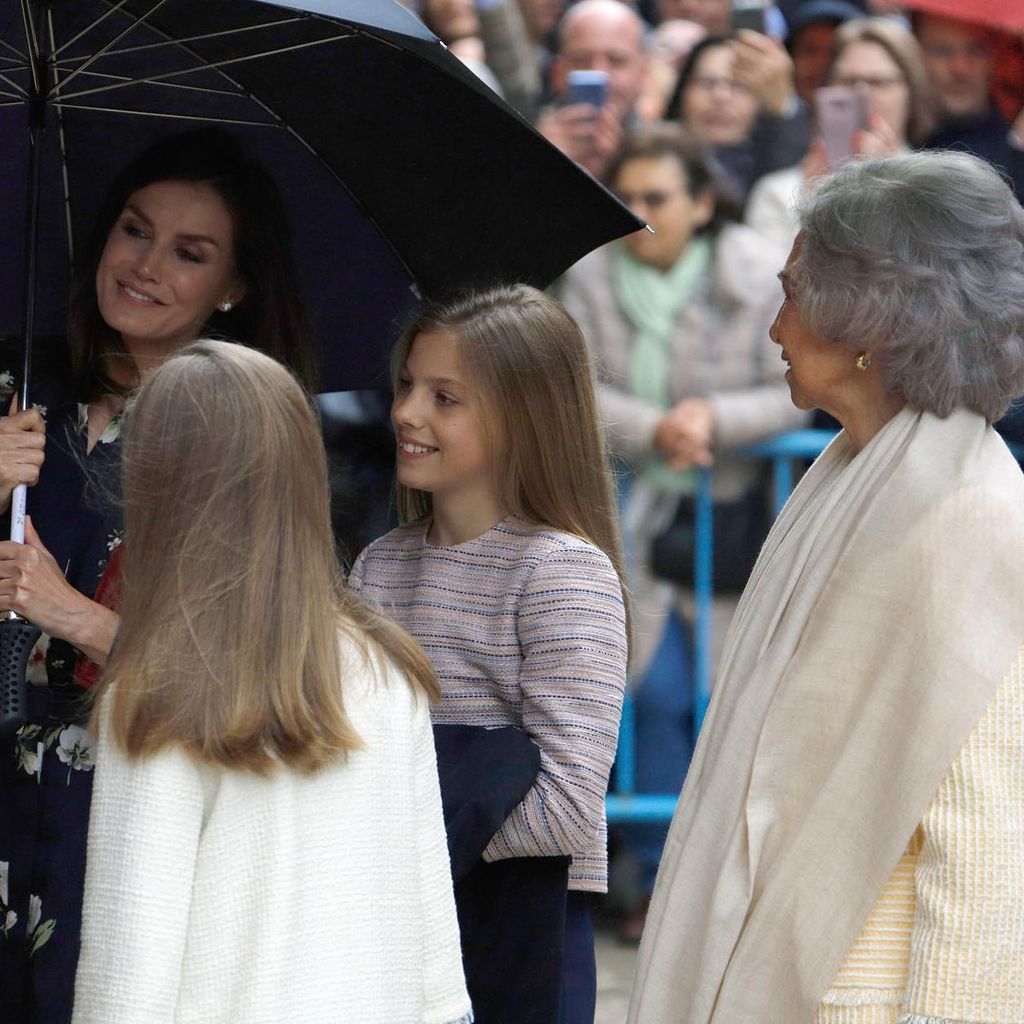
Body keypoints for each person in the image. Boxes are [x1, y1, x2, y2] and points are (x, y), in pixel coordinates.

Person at [628, 151, 1024, 1023]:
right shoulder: (859, 469)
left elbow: (988, 840)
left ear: (869, 324)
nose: (776, 326)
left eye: (795, 292)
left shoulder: (969, 514)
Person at [0, 128, 313, 1024]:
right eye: (134, 231)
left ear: (235, 287)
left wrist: (72, 615)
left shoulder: (242, 438)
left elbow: (247, 670)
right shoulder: (19, 386)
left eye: (190, 253)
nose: (145, 265)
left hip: (131, 813)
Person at [69, 340, 469, 1024]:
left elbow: (127, 971)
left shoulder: (157, 689)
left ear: (156, 481)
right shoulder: (386, 666)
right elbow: (436, 954)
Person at [348, 284, 629, 1024]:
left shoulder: (563, 572)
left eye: (446, 397)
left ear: (523, 417)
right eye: (408, 385)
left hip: (518, 935)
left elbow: (569, 808)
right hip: (400, 933)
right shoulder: (379, 565)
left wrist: (397, 830)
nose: (407, 412)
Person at [559, 123, 804, 941]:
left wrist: (714, 419)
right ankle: (661, 881)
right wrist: (659, 425)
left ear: (702, 203)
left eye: (656, 197)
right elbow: (572, 386)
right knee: (649, 691)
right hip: (629, 514)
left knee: (724, 697)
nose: (637, 213)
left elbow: (797, 388)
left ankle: (723, 887)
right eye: (624, 197)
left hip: (737, 514)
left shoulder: (756, 272)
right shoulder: (591, 273)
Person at [747, 17, 934, 250]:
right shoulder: (777, 193)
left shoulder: (935, 189)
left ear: (911, 91)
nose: (862, 93)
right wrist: (813, 207)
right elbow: (780, 282)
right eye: (848, 80)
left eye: (879, 82)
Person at [668, 32, 813, 202]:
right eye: (706, 83)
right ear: (682, 92)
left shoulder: (775, 159)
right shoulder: (652, 155)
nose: (720, 97)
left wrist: (782, 105)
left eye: (739, 85)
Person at [916, 11, 1024, 198]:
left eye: (976, 50)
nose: (960, 68)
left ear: (995, 58)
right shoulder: (894, 142)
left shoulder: (1017, 146)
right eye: (942, 50)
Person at [537, 0, 650, 178]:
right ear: (557, 73)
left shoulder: (664, 154)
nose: (599, 73)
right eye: (581, 60)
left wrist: (618, 168)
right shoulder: (525, 136)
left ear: (643, 73)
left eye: (616, 60)